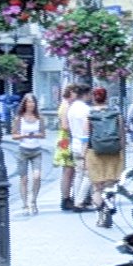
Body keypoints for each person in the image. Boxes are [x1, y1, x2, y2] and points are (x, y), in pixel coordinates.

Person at [82, 86, 124, 209]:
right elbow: (122, 136)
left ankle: (101, 214)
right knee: (110, 184)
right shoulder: (116, 114)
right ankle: (109, 209)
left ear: (94, 98)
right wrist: (122, 155)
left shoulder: (89, 115)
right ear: (107, 98)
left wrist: (84, 156)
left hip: (94, 152)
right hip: (114, 153)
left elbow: (86, 137)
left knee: (97, 186)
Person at [9, 92, 48, 215]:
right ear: (24, 104)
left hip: (36, 150)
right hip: (23, 151)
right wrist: (23, 135)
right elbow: (14, 135)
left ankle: (33, 201)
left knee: (37, 177)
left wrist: (36, 135)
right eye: (28, 102)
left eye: (33, 102)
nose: (31, 104)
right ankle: (25, 204)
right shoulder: (19, 119)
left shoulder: (39, 118)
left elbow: (43, 134)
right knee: (24, 178)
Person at [64, 83, 96, 210]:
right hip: (84, 143)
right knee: (89, 174)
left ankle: (77, 199)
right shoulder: (86, 110)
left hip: (75, 142)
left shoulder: (71, 108)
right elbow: (87, 129)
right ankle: (79, 200)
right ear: (86, 94)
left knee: (79, 173)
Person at [55, 83, 83, 211]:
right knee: (68, 169)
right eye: (75, 93)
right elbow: (65, 126)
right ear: (71, 92)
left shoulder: (66, 104)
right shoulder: (66, 105)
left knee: (70, 169)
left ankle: (67, 197)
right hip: (66, 139)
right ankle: (65, 198)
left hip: (65, 138)